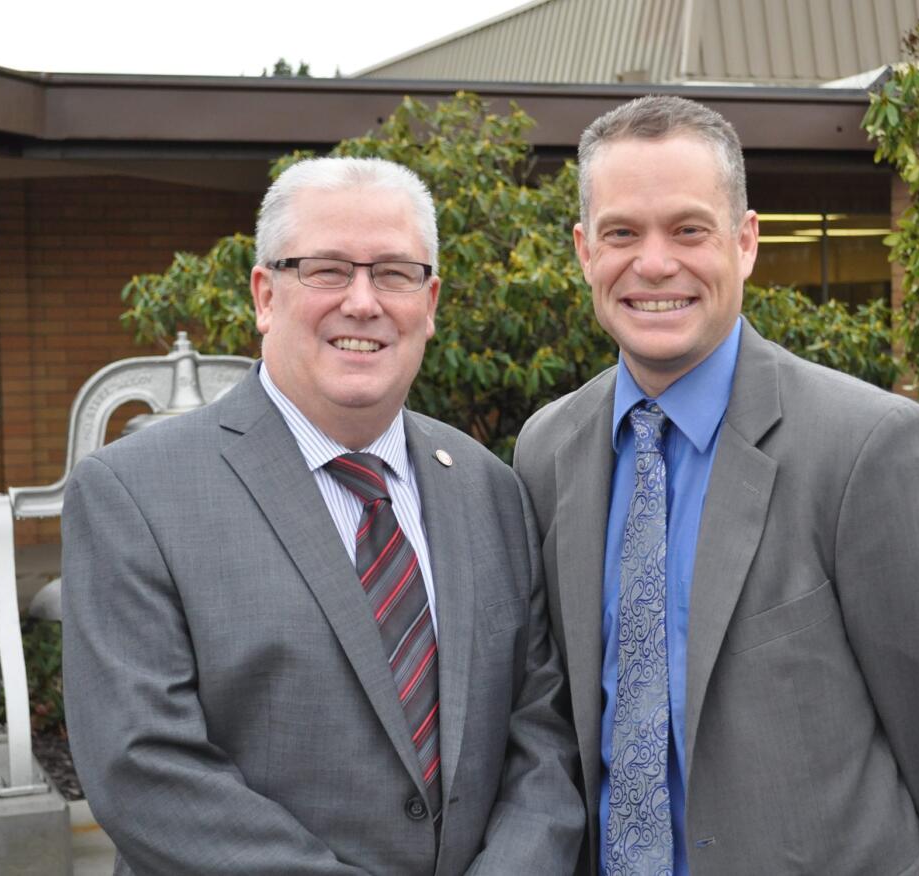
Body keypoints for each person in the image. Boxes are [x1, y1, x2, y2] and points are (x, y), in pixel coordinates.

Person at [513, 95, 919, 876]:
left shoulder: (871, 448)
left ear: (745, 242)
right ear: (586, 251)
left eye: (689, 229)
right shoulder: (547, 450)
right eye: (623, 233)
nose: (654, 263)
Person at [62, 156, 583, 875]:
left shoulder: (491, 490)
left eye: (394, 273)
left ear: (429, 302)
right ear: (265, 294)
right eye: (328, 270)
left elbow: (544, 739)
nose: (363, 302)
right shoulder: (135, 495)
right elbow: (145, 770)